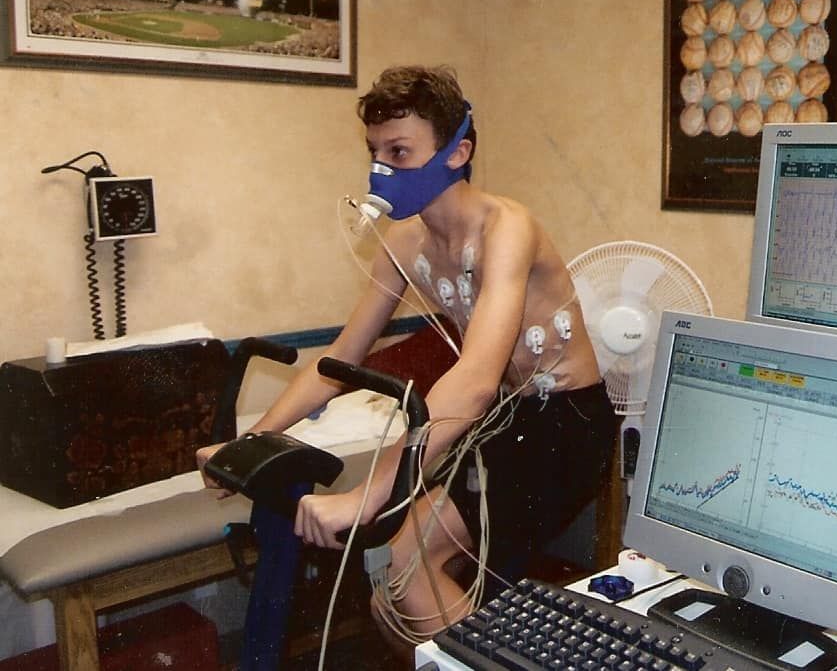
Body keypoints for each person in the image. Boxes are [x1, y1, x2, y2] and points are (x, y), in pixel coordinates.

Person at [196, 65, 616, 651]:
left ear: (456, 152)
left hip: (566, 423)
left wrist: (367, 493)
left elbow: (474, 379)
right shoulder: (403, 241)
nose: (381, 170)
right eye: (374, 152)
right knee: (393, 587)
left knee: (406, 567)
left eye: (398, 152)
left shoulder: (507, 229)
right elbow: (338, 360)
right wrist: (250, 442)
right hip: (502, 419)